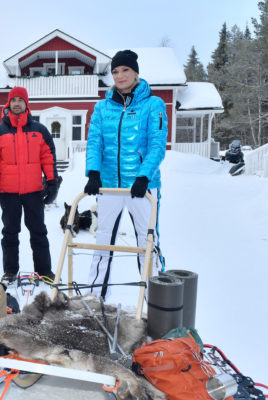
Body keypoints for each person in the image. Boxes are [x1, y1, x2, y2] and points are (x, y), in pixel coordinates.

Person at [84, 50, 167, 300]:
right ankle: (94, 296)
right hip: (109, 186)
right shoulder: (102, 107)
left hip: (142, 187)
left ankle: (158, 299)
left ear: (136, 72)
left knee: (147, 241)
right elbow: (95, 142)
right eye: (116, 72)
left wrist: (144, 176)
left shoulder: (153, 105)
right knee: (102, 241)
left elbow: (157, 144)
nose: (120, 76)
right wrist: (94, 173)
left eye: (125, 70)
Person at [0, 86, 59, 283]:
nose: (17, 103)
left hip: (34, 192)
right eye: (13, 100)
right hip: (8, 192)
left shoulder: (39, 130)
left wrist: (52, 183)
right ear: (9, 104)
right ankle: (10, 271)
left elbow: (48, 157)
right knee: (10, 233)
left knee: (38, 232)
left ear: (26, 104)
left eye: (20, 100)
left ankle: (44, 271)